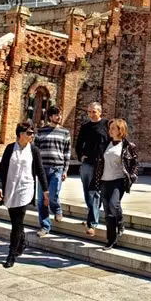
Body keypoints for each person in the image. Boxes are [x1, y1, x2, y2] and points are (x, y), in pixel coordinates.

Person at [0, 122, 49, 268]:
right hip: (11, 187)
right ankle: (23, 242)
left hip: (26, 188)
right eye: (30, 133)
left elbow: (40, 171)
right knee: (16, 221)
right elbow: (2, 169)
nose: (32, 136)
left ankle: (11, 254)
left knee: (18, 221)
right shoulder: (9, 148)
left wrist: (45, 190)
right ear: (21, 134)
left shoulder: (34, 151)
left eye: (33, 133)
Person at [90, 119, 139, 250]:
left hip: (118, 180)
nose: (110, 130)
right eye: (110, 128)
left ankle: (121, 222)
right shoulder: (105, 144)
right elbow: (99, 162)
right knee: (107, 212)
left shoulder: (128, 146)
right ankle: (111, 241)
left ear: (120, 130)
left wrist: (133, 176)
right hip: (104, 180)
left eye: (113, 128)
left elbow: (135, 164)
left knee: (114, 204)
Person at [34, 105, 71, 237]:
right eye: (57, 115)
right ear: (50, 116)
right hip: (43, 169)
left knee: (54, 194)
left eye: (60, 115)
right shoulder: (40, 132)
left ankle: (57, 209)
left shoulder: (65, 133)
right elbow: (35, 151)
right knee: (41, 199)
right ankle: (45, 226)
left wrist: (65, 170)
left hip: (57, 168)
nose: (59, 117)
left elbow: (67, 153)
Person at [75, 102, 109, 236]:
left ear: (100, 112)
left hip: (101, 164)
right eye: (89, 112)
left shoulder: (106, 124)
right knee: (88, 192)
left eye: (93, 112)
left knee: (95, 192)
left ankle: (92, 223)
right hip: (87, 163)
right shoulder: (85, 127)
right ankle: (92, 213)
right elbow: (78, 143)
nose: (91, 114)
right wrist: (81, 156)